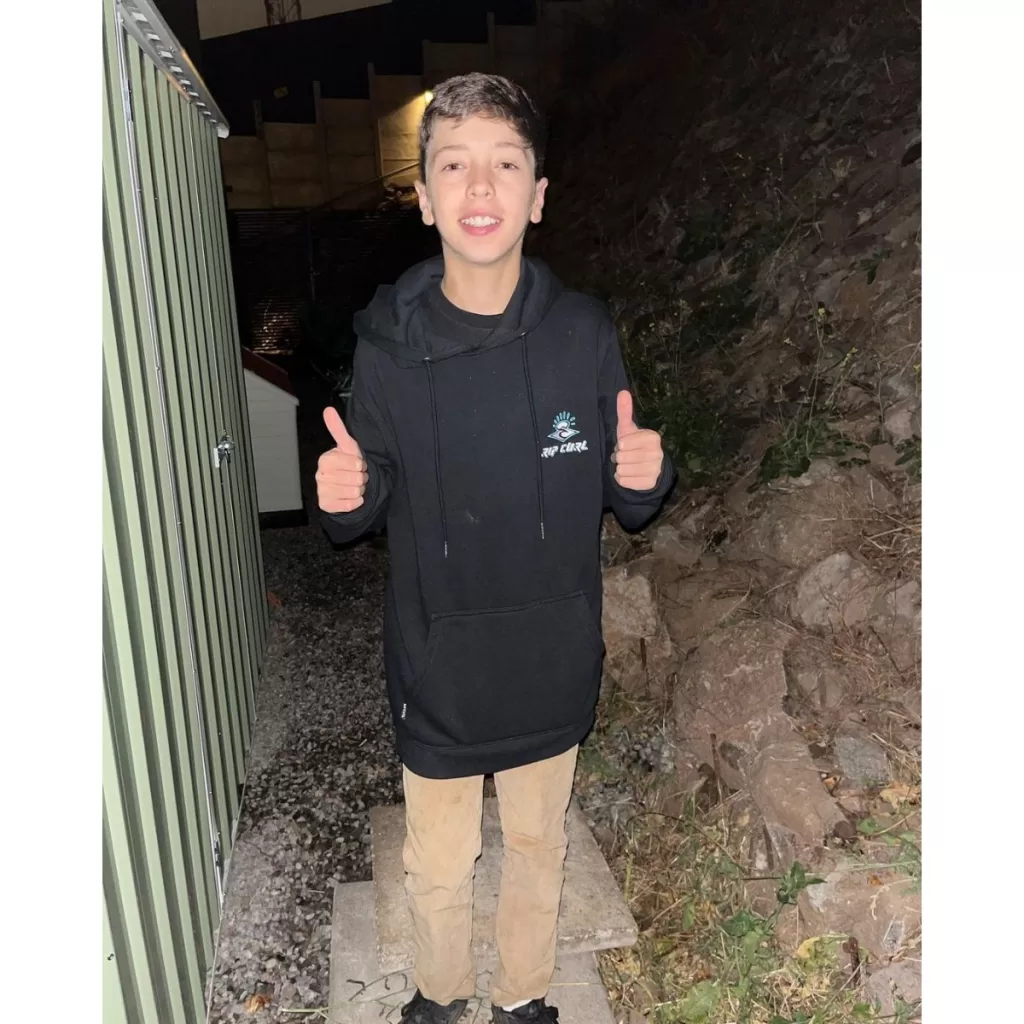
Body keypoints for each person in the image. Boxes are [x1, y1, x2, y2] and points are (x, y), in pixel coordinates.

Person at [316, 73, 675, 1024]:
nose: (481, 187)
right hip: (438, 665)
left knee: (539, 847)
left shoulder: (582, 332)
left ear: (538, 194)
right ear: (425, 198)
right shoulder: (387, 349)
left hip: (550, 660)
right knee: (438, 863)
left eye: (505, 165)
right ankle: (438, 999)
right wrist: (348, 494)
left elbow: (626, 489)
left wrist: (646, 474)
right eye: (455, 166)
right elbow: (366, 492)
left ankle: (524, 1000)